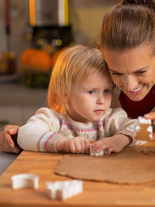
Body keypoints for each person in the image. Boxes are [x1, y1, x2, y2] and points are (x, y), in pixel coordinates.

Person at [1, 0, 155, 155]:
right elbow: (71, 119)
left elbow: (141, 130)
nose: (129, 85)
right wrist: (24, 135)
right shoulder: (98, 71)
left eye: (141, 71)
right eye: (116, 73)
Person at [14, 45, 143, 155]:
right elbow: (25, 134)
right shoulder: (53, 119)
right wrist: (63, 143)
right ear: (65, 93)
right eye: (91, 91)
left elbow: (143, 130)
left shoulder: (110, 118)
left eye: (106, 91)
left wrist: (120, 140)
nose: (102, 100)